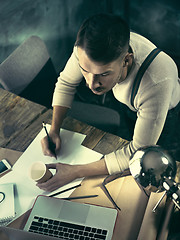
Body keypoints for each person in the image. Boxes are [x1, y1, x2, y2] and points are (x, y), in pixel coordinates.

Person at [38, 13, 180, 192]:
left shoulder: (156, 81)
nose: (91, 83)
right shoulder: (85, 51)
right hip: (130, 104)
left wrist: (74, 171)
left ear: (126, 60)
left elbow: (136, 152)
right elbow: (66, 83)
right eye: (85, 71)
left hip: (168, 117)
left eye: (103, 74)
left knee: (159, 173)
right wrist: (54, 129)